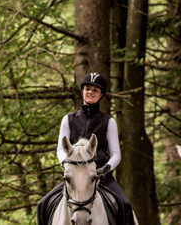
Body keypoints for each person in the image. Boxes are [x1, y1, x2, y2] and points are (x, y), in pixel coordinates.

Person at [36, 72, 134, 225]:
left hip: (101, 176)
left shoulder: (108, 121)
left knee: (125, 205)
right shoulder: (68, 119)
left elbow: (116, 153)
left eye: (95, 90)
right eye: (87, 88)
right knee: (42, 204)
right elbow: (60, 149)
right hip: (74, 177)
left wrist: (106, 168)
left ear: (101, 94)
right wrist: (66, 164)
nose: (90, 92)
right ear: (82, 91)